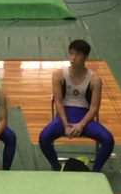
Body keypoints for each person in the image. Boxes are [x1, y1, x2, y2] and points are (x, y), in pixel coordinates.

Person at [38, 40, 115, 173]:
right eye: (71, 53)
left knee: (108, 140)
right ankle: (58, 168)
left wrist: (81, 125)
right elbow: (58, 102)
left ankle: (95, 172)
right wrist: (65, 124)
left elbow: (94, 107)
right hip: (64, 117)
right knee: (43, 138)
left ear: (86, 57)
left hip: (85, 118)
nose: (73, 58)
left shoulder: (95, 80)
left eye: (78, 55)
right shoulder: (58, 75)